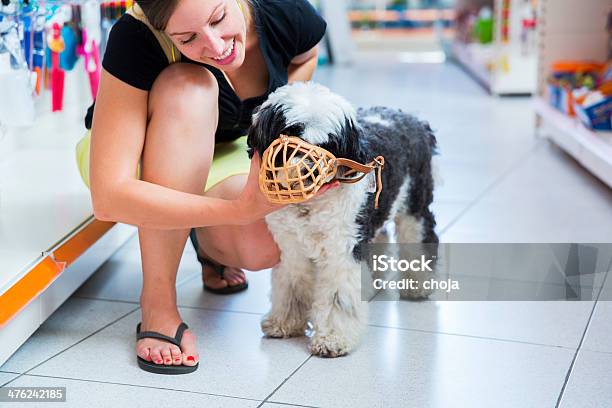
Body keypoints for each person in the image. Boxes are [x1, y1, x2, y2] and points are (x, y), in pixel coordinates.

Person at [80, 0, 333, 374]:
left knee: (264, 246)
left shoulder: (283, 10)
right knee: (190, 85)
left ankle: (205, 242)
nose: (216, 47)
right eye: (187, 38)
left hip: (224, 147)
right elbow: (109, 197)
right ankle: (157, 301)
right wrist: (238, 209)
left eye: (218, 18)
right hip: (135, 156)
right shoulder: (135, 36)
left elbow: (305, 56)